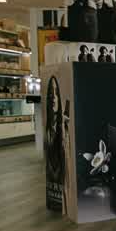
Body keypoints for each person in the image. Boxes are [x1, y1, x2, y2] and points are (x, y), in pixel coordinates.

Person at [45, 76, 66, 212]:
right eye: (50, 94)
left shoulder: (64, 127)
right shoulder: (47, 129)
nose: (53, 98)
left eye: (56, 93)